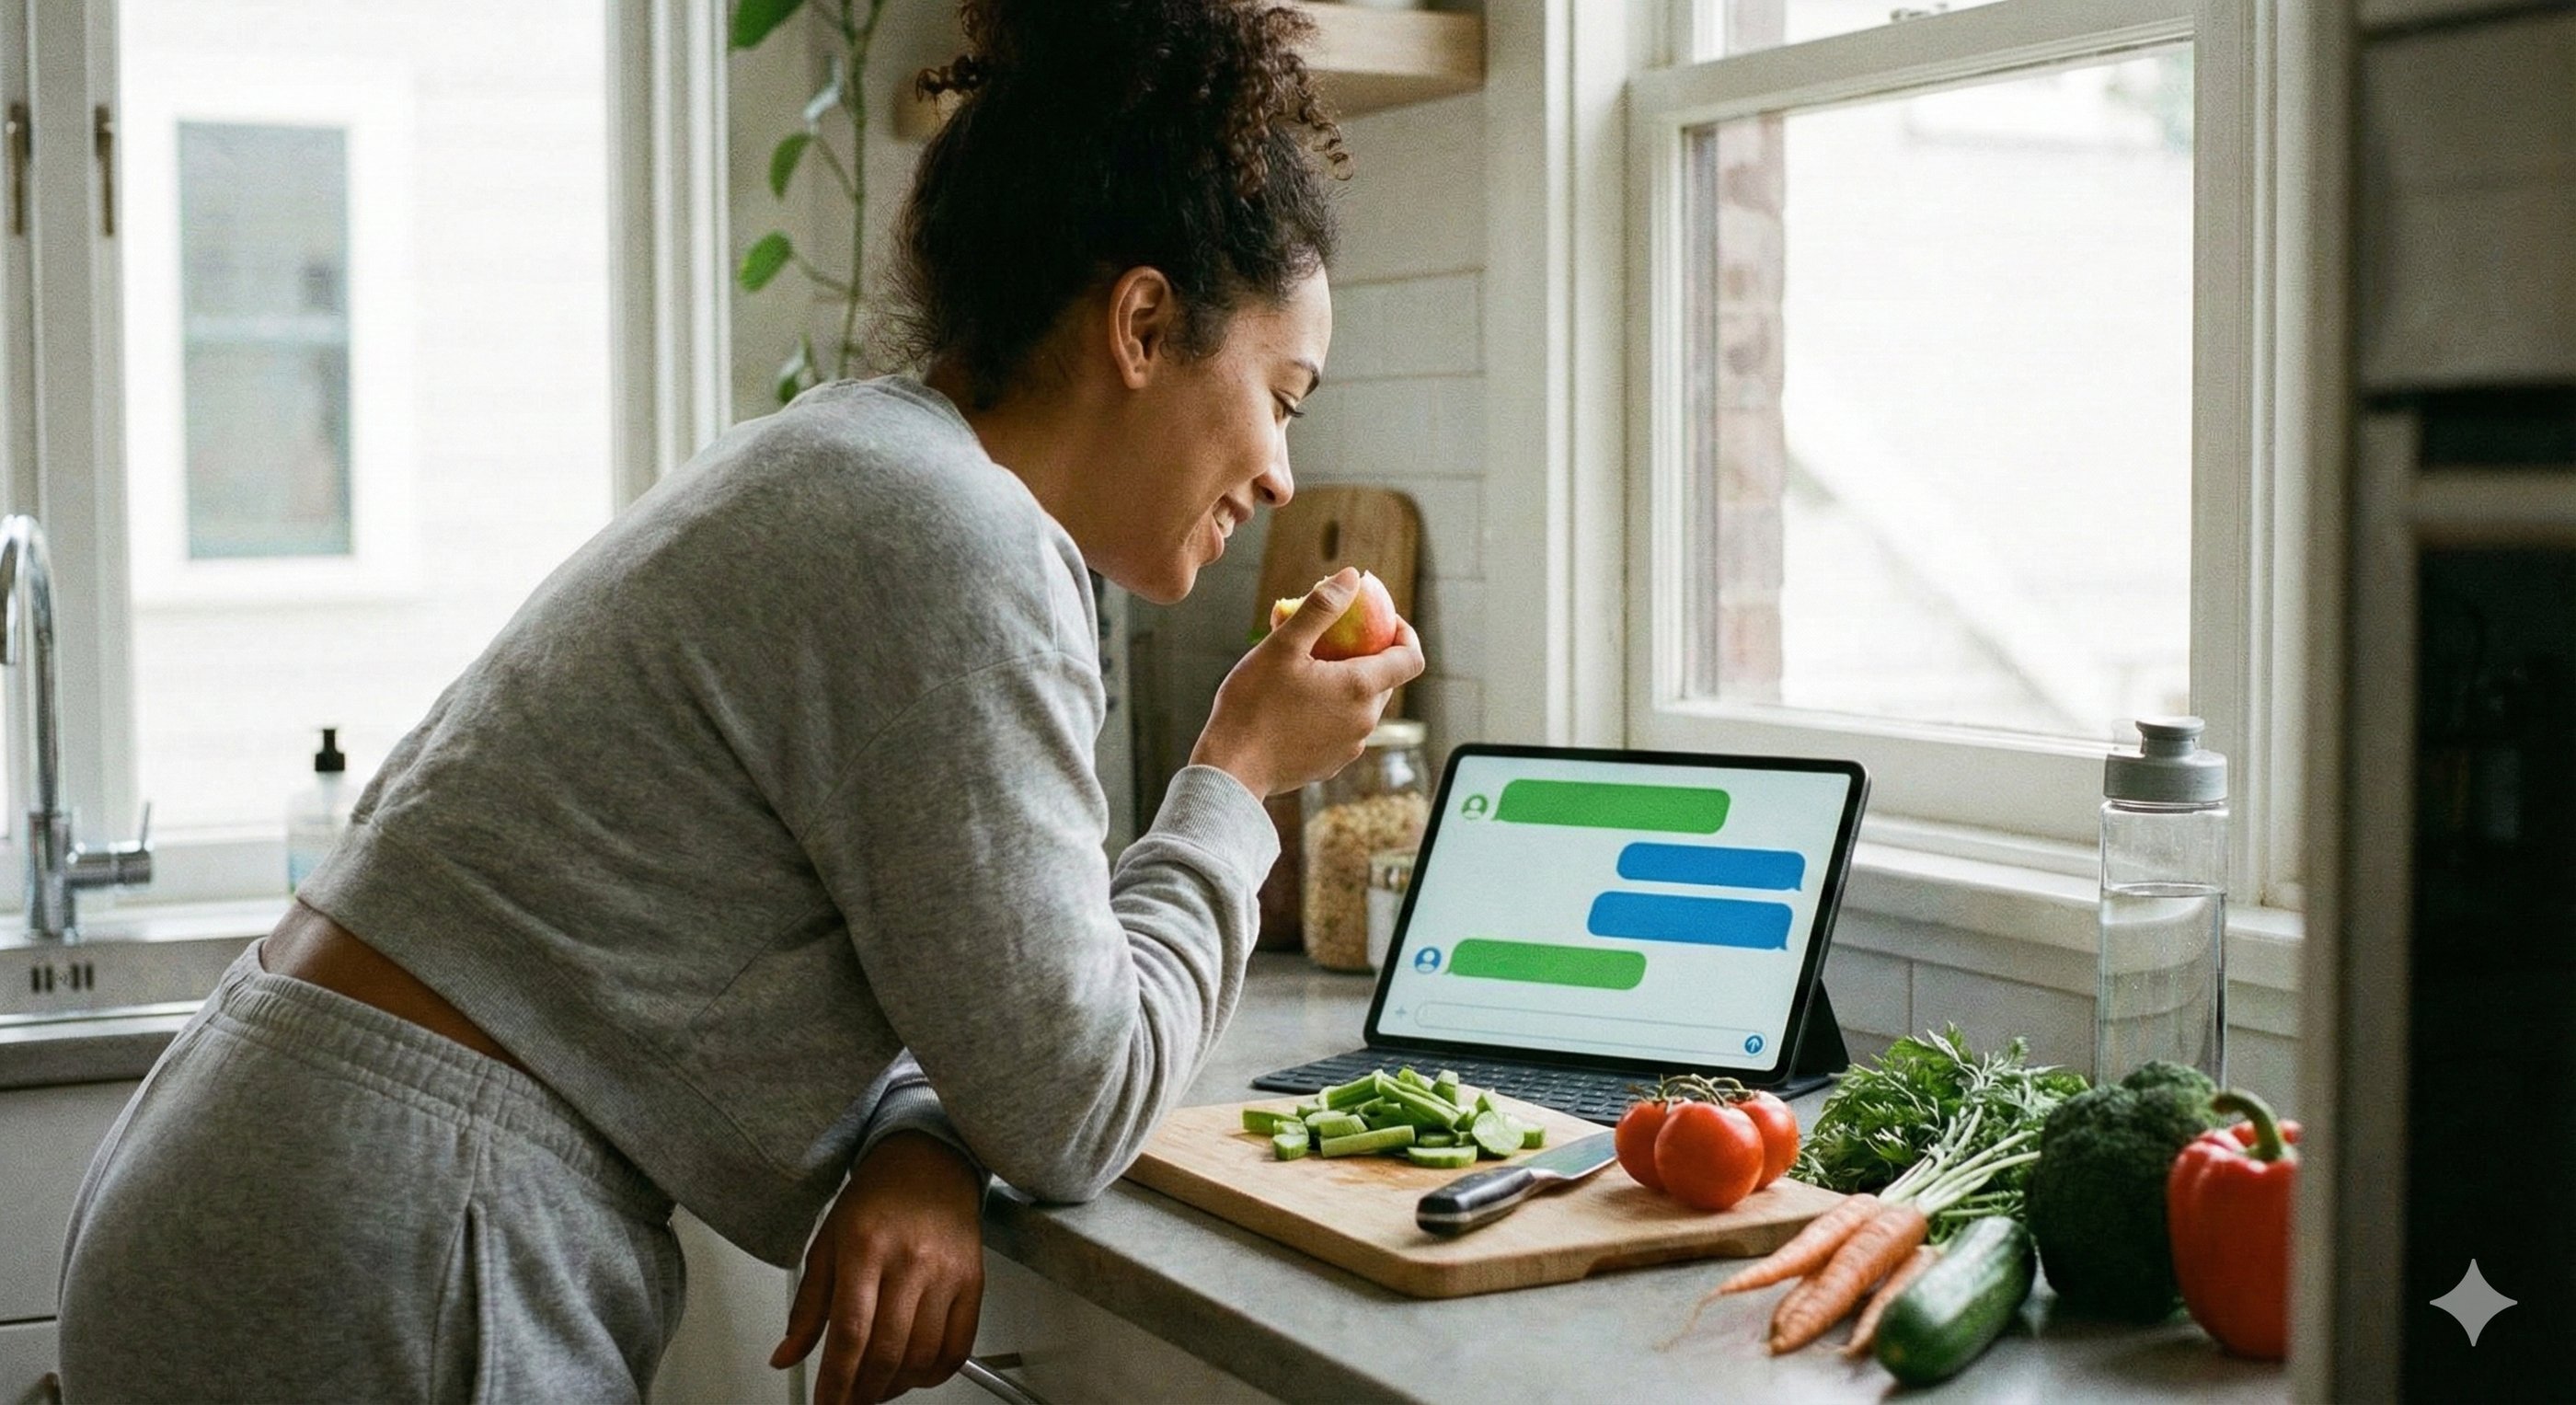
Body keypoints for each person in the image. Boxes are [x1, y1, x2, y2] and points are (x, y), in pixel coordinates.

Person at [56, 2, 1419, 1401]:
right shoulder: (958, 541)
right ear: (1140, 325)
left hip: (308, 1176)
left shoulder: (862, 466)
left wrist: (921, 1134)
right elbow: (1077, 1105)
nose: (1279, 477)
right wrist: (1239, 777)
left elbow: (973, 993)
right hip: (393, 1234)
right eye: (1283, 395)